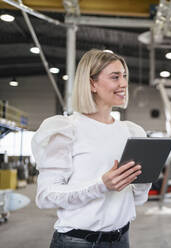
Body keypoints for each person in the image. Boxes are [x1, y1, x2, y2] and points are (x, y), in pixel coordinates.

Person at [32, 49, 151, 248]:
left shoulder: (132, 132)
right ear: (91, 83)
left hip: (121, 239)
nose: (123, 83)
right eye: (115, 77)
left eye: (124, 76)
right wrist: (101, 185)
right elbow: (45, 197)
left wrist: (142, 179)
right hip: (77, 241)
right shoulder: (65, 129)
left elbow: (138, 199)